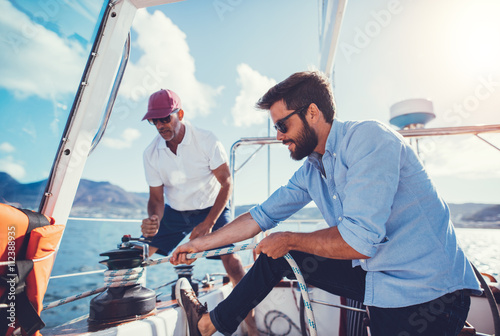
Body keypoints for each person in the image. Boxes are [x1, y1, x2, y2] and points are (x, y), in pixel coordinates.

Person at [170, 71, 482, 336]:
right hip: (382, 279)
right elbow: (260, 216)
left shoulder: (369, 140)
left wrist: (289, 238)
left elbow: (359, 241)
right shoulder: (312, 170)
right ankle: (208, 324)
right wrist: (201, 244)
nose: (278, 136)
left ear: (313, 113)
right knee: (278, 254)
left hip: (430, 292)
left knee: (284, 245)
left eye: (282, 126)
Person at [141, 89, 257, 335]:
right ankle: (132, 313)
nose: (160, 125)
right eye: (155, 120)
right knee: (142, 254)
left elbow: (226, 184)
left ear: (179, 114)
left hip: (211, 206)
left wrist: (208, 223)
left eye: (165, 118)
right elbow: (155, 199)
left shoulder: (206, 139)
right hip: (176, 211)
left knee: (232, 261)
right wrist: (154, 218)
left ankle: (253, 329)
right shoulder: (150, 154)